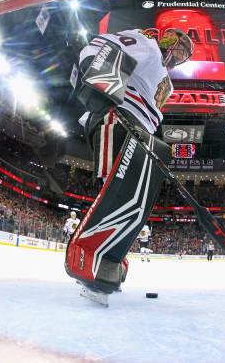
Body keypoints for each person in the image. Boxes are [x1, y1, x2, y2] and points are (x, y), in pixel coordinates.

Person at [65, 28, 193, 304]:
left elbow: (151, 113)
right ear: (167, 39)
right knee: (117, 189)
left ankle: (111, 256)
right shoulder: (147, 44)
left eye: (184, 54)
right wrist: (99, 84)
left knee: (135, 197)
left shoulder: (165, 80)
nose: (179, 55)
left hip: (142, 130)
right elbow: (101, 47)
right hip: (118, 116)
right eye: (178, 46)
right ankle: (92, 260)